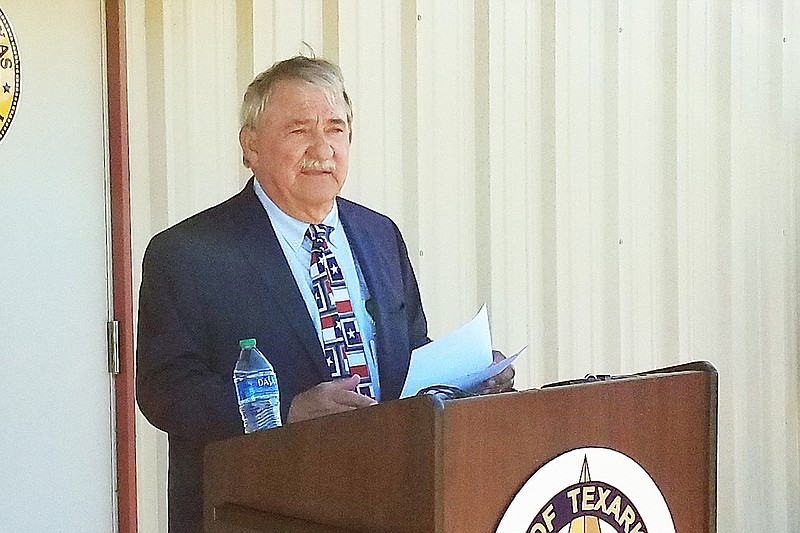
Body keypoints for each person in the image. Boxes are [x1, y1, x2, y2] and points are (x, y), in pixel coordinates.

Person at [136, 55, 514, 532]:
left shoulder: (379, 235)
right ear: (250, 146)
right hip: (260, 512)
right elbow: (164, 391)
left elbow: (408, 358)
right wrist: (287, 410)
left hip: (392, 501)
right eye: (299, 130)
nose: (321, 148)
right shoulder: (188, 254)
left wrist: (469, 378)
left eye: (335, 129)